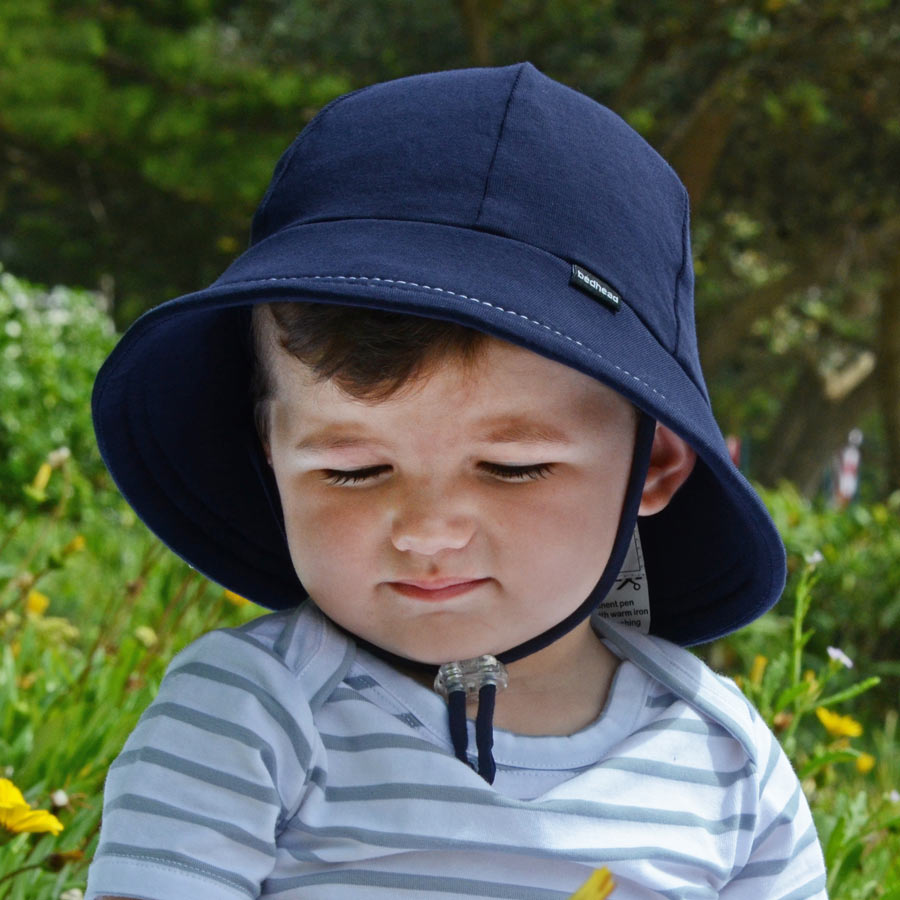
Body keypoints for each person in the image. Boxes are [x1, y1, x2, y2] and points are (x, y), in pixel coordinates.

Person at [86, 63, 827, 899]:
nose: (427, 530)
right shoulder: (252, 714)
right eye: (353, 470)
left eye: (512, 467)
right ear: (271, 456)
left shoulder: (727, 764)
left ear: (652, 464)